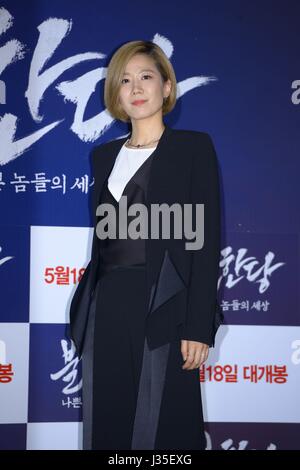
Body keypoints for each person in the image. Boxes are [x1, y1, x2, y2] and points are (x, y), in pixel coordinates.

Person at [69, 40, 222, 450]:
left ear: (167, 87)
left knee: (166, 425)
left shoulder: (192, 149)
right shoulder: (102, 156)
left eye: (146, 77)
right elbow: (103, 241)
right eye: (125, 80)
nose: (135, 88)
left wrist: (198, 325)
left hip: (165, 303)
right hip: (107, 304)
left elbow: (204, 244)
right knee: (108, 418)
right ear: (115, 94)